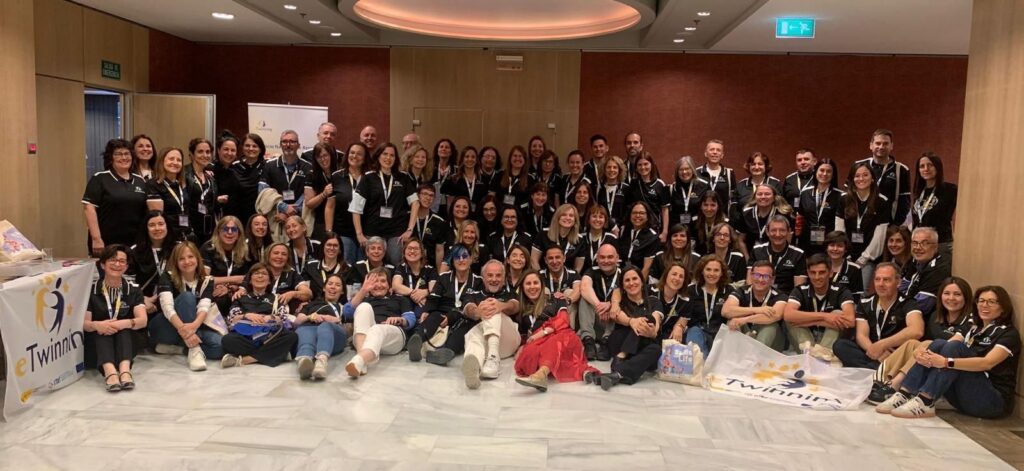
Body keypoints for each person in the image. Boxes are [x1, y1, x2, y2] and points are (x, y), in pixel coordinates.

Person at [877, 286, 1020, 419]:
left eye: (991, 302)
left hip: (992, 402)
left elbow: (987, 363)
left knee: (955, 347)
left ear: (1003, 307)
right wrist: (922, 353)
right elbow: (947, 345)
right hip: (963, 398)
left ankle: (926, 401)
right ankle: (904, 393)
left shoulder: (1008, 334)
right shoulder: (972, 328)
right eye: (981, 301)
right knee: (940, 343)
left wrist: (946, 362)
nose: (984, 305)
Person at [870, 277, 976, 404]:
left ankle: (895, 385)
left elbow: (951, 345)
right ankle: (880, 381)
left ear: (966, 297)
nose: (951, 298)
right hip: (931, 362)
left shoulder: (971, 319)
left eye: (957, 294)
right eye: (947, 293)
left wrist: (923, 351)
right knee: (912, 343)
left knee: (927, 344)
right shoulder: (935, 316)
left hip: (950, 368)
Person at [833, 263, 924, 370]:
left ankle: (874, 368)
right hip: (872, 352)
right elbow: (861, 336)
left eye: (886, 280)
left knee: (912, 358)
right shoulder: (865, 302)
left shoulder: (908, 303)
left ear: (898, 282)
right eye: (877, 279)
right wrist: (876, 351)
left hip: (895, 355)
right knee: (840, 345)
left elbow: (917, 330)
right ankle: (878, 369)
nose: (881, 284)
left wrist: (883, 344)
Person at [514, 275, 597, 392]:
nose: (532, 287)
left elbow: (563, 320)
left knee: (554, 343)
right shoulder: (521, 307)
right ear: (523, 287)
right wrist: (522, 345)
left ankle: (540, 375)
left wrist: (543, 332)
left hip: (562, 336)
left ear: (542, 285)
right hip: (538, 342)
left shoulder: (556, 299)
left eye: (535, 283)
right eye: (528, 284)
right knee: (529, 354)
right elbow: (524, 333)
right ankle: (583, 372)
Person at [149, 242, 224, 371]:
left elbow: (204, 307)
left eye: (190, 257)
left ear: (197, 258)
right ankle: (194, 349)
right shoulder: (167, 276)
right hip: (166, 327)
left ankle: (180, 349)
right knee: (187, 297)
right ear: (176, 262)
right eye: (181, 258)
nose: (187, 261)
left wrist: (192, 327)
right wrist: (186, 332)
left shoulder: (207, 280)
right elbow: (167, 308)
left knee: (220, 346)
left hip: (192, 327)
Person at [588, 265, 664, 390]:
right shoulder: (618, 302)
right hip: (620, 342)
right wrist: (632, 321)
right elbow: (619, 317)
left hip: (642, 347)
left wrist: (652, 332)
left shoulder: (653, 301)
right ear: (622, 285)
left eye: (635, 279)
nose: (631, 283)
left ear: (642, 281)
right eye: (627, 280)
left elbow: (656, 320)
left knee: (655, 349)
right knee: (640, 323)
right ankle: (623, 358)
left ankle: (617, 373)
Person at [84, 245, 148, 392]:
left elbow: (142, 320)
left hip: (127, 340)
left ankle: (125, 371)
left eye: (122, 261)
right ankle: (110, 372)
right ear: (102, 264)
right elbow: (85, 323)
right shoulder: (91, 290)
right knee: (102, 330)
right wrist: (96, 325)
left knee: (124, 330)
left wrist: (122, 323)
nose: (117, 264)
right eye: (112, 260)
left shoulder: (133, 289)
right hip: (98, 344)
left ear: (126, 266)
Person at [406, 244, 483, 363]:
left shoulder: (478, 281)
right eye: (457, 257)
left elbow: (473, 305)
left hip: (464, 315)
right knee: (433, 316)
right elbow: (433, 298)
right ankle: (416, 341)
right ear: (452, 260)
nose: (461, 260)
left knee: (467, 326)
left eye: (464, 256)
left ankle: (445, 352)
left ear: (471, 259)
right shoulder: (444, 277)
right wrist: (426, 311)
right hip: (442, 312)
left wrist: (452, 316)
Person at [454, 260, 521, 388]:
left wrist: (501, 306)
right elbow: (468, 308)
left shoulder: (510, 293)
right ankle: (474, 366)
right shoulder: (473, 294)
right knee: (472, 335)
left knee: (491, 306)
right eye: (490, 275)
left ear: (504, 279)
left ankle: (493, 357)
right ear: (483, 278)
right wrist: (477, 312)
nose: (494, 279)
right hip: (485, 344)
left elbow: (515, 306)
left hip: (509, 342)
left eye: (498, 275)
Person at [352, 143, 420, 266]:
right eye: (385, 154)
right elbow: (356, 208)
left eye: (392, 155)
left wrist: (410, 230)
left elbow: (415, 203)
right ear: (378, 156)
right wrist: (359, 234)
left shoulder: (403, 177)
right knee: (373, 263)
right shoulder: (368, 177)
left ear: (396, 158)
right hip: (373, 230)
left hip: (397, 232)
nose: (388, 158)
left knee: (396, 261)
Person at [343, 268, 418, 377]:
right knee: (364, 307)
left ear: (389, 285)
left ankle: (359, 359)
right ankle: (361, 360)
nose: (378, 285)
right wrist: (363, 290)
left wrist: (400, 320)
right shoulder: (363, 299)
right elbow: (347, 313)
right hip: (366, 338)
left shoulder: (400, 299)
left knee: (377, 328)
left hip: (392, 336)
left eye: (383, 281)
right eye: (374, 281)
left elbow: (411, 319)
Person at [222, 263, 299, 368]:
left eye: (264, 274)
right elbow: (232, 318)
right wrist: (247, 315)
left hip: (269, 336)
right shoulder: (241, 298)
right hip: (246, 335)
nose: (260, 276)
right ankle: (277, 354)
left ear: (269, 281)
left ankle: (246, 359)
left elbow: (283, 317)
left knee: (291, 336)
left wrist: (271, 317)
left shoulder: (276, 298)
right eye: (256, 273)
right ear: (250, 280)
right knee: (227, 340)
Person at [83, 138, 149, 255]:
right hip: (106, 243)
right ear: (110, 158)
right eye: (118, 154)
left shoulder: (140, 181)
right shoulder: (100, 178)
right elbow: (89, 208)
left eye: (127, 154)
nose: (124, 157)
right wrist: (96, 239)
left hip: (134, 244)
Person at [784, 254, 856, 357]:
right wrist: (825, 317)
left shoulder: (841, 291)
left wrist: (811, 321)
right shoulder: (800, 290)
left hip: (829, 337)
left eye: (822, 272)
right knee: (791, 318)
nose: (817, 277)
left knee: (838, 313)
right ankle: (810, 354)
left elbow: (850, 321)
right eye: (813, 273)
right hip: (806, 337)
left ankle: (822, 354)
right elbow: (788, 315)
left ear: (830, 273)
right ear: (808, 273)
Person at [836, 162, 892, 289]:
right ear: (852, 179)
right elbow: (839, 230)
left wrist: (864, 258)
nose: (861, 179)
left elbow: (879, 235)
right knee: (842, 290)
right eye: (857, 176)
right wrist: (845, 254)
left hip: (868, 258)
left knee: (862, 292)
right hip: (846, 256)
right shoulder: (844, 199)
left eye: (865, 175)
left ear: (872, 178)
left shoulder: (881, 201)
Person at [722, 260, 787, 350]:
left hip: (772, 343)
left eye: (766, 276)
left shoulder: (780, 296)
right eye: (757, 275)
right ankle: (733, 355)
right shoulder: (741, 291)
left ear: (772, 279)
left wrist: (744, 319)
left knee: (770, 327)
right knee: (732, 321)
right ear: (751, 276)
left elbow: (775, 315)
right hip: (747, 333)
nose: (760, 280)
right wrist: (757, 310)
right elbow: (726, 311)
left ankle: (755, 356)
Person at [293, 272, 348, 380]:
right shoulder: (310, 304)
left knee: (325, 326)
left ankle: (321, 362)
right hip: (310, 328)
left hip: (333, 335)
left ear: (342, 291)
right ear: (324, 288)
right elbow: (297, 321)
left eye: (337, 285)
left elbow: (350, 327)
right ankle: (304, 361)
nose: (333, 287)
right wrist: (310, 316)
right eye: (330, 284)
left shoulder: (344, 307)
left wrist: (334, 319)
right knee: (304, 330)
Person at [852, 129, 911, 224]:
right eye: (878, 143)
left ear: (891, 146)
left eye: (885, 143)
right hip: (859, 223)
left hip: (887, 224)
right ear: (871, 145)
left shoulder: (902, 169)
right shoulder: (858, 166)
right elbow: (849, 195)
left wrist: (896, 224)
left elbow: (904, 202)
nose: (881, 147)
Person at [678, 255, 733, 357]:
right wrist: (679, 327)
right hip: (697, 330)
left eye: (716, 270)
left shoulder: (729, 290)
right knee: (698, 351)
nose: (712, 274)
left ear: (722, 273)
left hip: (721, 332)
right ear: (702, 271)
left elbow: (733, 312)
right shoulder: (691, 290)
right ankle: (700, 362)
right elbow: (683, 315)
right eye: (708, 269)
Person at [578, 244, 623, 361]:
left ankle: (606, 342)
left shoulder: (624, 274)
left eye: (610, 257)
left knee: (621, 303)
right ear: (597, 259)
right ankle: (588, 341)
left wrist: (611, 304)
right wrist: (599, 306)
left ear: (617, 258)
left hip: (615, 324)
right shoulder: (591, 271)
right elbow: (585, 287)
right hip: (596, 321)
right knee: (585, 298)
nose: (606, 261)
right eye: (602, 257)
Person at [259, 130, 312, 229]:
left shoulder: (308, 167)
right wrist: (283, 207)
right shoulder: (269, 165)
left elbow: (308, 195)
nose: (288, 145)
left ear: (298, 145)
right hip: (275, 216)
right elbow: (263, 192)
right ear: (280, 144)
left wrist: (292, 211)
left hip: (299, 218)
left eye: (292, 142)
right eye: (284, 141)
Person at [327, 142, 367, 265]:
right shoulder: (337, 176)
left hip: (366, 232)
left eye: (359, 154)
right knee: (346, 265)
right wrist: (329, 232)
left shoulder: (370, 177)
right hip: (343, 231)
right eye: (352, 153)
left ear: (365, 158)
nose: (354, 156)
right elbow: (330, 206)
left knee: (363, 267)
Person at [201, 216, 251, 315]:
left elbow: (247, 278)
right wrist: (234, 279)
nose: (229, 232)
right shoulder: (208, 248)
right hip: (213, 290)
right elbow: (204, 278)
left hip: (235, 289)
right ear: (218, 231)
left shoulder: (245, 249)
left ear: (239, 233)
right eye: (225, 229)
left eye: (234, 229)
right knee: (220, 298)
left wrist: (230, 288)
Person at [748, 215, 807, 295]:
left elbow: (799, 289)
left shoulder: (798, 254)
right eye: (773, 230)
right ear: (767, 232)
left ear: (789, 231)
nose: (778, 234)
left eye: (782, 230)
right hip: (760, 296)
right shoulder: (757, 251)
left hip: (787, 298)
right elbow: (750, 282)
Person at [900, 227, 952, 317]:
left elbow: (921, 306)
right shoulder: (915, 260)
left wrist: (895, 309)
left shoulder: (939, 270)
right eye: (915, 243)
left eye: (924, 243)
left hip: (922, 318)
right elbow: (901, 287)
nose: (918, 247)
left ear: (935, 246)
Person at [129, 211, 173, 315]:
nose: (157, 228)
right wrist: (141, 299)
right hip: (143, 303)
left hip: (172, 301)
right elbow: (127, 282)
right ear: (146, 228)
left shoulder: (178, 249)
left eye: (161, 224)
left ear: (167, 226)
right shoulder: (135, 251)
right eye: (152, 225)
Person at [912, 152, 958, 251]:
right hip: (921, 244)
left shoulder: (950, 190)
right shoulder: (919, 192)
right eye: (922, 166)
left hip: (941, 243)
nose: (926, 169)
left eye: (930, 165)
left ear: (938, 167)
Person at [796, 159, 843, 255]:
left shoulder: (840, 196)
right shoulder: (805, 193)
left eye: (828, 171)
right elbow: (801, 217)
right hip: (806, 243)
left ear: (833, 175)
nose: (824, 174)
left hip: (829, 244)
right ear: (815, 171)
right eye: (821, 170)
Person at [146, 147, 192, 241]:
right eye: (171, 159)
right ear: (162, 161)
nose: (175, 162)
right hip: (167, 236)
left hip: (185, 233)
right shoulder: (153, 184)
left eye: (179, 160)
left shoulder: (184, 183)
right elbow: (157, 217)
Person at [734, 184, 794, 252]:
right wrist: (747, 258)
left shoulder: (783, 214)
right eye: (759, 194)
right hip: (751, 254)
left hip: (776, 254)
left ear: (774, 197)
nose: (763, 197)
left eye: (767, 194)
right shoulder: (746, 214)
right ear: (755, 197)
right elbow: (741, 240)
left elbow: (787, 240)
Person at [626, 152, 670, 241]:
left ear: (652, 165)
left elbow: (665, 210)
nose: (643, 167)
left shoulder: (660, 184)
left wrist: (665, 232)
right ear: (636, 167)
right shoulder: (633, 184)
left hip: (654, 227)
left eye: (646, 164)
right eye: (639, 165)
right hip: (636, 226)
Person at [185, 137, 219, 243]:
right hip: (190, 230)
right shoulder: (184, 174)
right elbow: (182, 204)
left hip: (208, 229)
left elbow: (209, 203)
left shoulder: (210, 178)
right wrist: (187, 229)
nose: (205, 155)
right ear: (192, 154)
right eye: (200, 151)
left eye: (208, 152)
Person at [617, 202, 661, 280]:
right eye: (634, 213)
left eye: (642, 213)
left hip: (639, 277)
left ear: (647, 216)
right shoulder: (623, 231)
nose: (637, 215)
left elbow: (646, 268)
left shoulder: (652, 237)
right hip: (621, 274)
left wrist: (639, 285)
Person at [392, 238, 438, 312]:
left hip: (422, 304)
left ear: (422, 253)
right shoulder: (401, 268)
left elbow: (433, 289)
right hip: (403, 304)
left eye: (416, 249)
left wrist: (426, 292)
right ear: (404, 252)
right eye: (409, 248)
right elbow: (396, 286)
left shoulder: (430, 270)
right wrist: (414, 294)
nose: (412, 251)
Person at [230, 133, 267, 225]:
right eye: (247, 146)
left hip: (261, 218)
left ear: (260, 149)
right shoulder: (234, 167)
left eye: (254, 146)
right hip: (238, 217)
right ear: (242, 148)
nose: (250, 149)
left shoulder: (267, 166)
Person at [303, 142, 338, 240]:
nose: (323, 159)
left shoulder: (340, 173)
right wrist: (323, 194)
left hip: (340, 220)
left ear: (331, 155)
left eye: (325, 155)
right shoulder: (312, 175)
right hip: (320, 221)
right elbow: (309, 204)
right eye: (319, 157)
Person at [531, 204, 581, 271]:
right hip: (544, 275)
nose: (567, 218)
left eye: (571, 215)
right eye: (564, 215)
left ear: (575, 220)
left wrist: (570, 277)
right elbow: (534, 260)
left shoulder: (579, 239)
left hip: (569, 276)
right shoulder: (543, 234)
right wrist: (540, 276)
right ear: (557, 217)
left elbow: (578, 268)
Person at [539, 245, 581, 323]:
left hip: (566, 307)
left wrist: (568, 300)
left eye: (557, 257)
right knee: (544, 291)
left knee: (569, 292)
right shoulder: (539, 275)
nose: (554, 261)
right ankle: (542, 326)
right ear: (545, 260)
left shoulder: (573, 274)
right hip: (547, 308)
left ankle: (568, 328)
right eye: (550, 258)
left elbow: (578, 290)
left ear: (564, 258)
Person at [301, 232, 348, 301]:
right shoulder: (310, 267)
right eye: (329, 245)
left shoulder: (347, 269)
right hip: (314, 306)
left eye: (335, 245)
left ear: (340, 249)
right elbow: (305, 293)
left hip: (338, 306)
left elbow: (349, 298)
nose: (332, 248)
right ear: (323, 247)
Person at [441, 146, 488, 213]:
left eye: (473, 157)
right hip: (459, 215)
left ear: (477, 160)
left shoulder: (483, 179)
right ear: (462, 159)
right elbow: (450, 204)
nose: (470, 159)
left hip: (478, 216)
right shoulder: (453, 179)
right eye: (467, 156)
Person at [696, 139, 737, 215]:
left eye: (718, 150)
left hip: (722, 218)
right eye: (712, 149)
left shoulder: (729, 173)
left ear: (722, 155)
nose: (715, 152)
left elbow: (733, 199)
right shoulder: (696, 173)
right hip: (701, 218)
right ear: (706, 153)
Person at [668, 156, 711, 230]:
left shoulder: (704, 186)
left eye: (687, 169)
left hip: (698, 228)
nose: (684, 172)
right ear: (677, 172)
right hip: (678, 229)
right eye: (681, 169)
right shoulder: (672, 188)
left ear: (693, 169)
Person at [411, 184, 448, 268]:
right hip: (409, 264)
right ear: (417, 196)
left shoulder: (439, 222)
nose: (428, 198)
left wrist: (438, 273)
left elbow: (439, 250)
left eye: (431, 195)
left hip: (430, 266)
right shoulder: (407, 218)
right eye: (424, 194)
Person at [577, 206, 617, 273]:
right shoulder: (580, 238)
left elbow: (616, 262)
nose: (597, 219)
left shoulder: (612, 238)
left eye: (601, 217)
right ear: (588, 219)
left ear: (605, 220)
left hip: (604, 276)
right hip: (583, 276)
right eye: (594, 216)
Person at [824, 231, 864, 296]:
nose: (835, 249)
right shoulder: (818, 266)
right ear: (826, 248)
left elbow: (856, 298)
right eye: (832, 245)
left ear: (846, 249)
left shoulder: (855, 269)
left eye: (839, 246)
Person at [212, 132, 240, 223]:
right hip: (216, 220)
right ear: (218, 150)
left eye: (233, 150)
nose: (229, 153)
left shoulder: (237, 170)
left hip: (234, 220)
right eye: (226, 149)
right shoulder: (209, 170)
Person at [494, 145, 533, 209]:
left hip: (520, 212)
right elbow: (493, 196)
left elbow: (530, 200)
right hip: (500, 212)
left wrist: (518, 208)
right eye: (515, 156)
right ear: (510, 158)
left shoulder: (530, 179)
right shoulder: (500, 175)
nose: (517, 158)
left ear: (524, 160)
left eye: (520, 156)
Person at [710, 222, 748, 286]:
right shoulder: (706, 258)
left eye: (726, 235)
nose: (722, 238)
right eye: (718, 234)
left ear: (730, 239)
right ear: (713, 238)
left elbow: (741, 284)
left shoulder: (738, 258)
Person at [596, 156, 628, 231]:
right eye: (609, 167)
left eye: (615, 167)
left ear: (619, 170)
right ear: (604, 170)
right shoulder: (599, 188)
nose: (611, 170)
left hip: (621, 229)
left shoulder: (626, 188)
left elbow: (628, 211)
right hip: (602, 227)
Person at [694, 191, 729, 255]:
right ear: (701, 206)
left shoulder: (726, 223)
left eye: (713, 205)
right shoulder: (694, 221)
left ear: (718, 206)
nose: (709, 209)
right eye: (705, 205)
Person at [432, 138, 457, 209]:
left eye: (447, 147)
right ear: (437, 151)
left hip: (450, 207)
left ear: (451, 152)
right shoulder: (430, 170)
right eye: (441, 147)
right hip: (432, 206)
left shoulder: (456, 171)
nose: (444, 149)